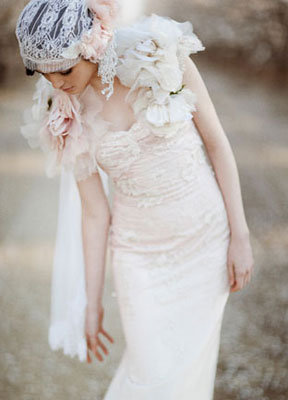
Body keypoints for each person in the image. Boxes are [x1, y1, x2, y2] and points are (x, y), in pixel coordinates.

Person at [15, 0, 254, 398]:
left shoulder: (163, 55)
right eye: (42, 73)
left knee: (187, 372)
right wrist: (91, 304)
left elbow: (217, 144)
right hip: (138, 257)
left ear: (91, 45)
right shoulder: (61, 113)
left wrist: (240, 237)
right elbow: (94, 214)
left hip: (205, 241)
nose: (55, 83)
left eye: (64, 70)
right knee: (152, 374)